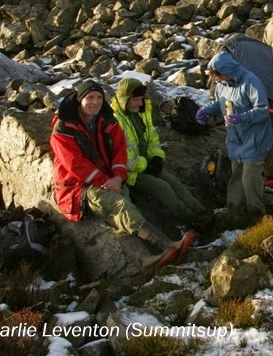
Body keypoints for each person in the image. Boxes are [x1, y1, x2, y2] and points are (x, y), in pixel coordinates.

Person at [51, 79, 195, 267]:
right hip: (78, 187)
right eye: (89, 97)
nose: (95, 102)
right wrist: (106, 181)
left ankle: (145, 259)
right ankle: (167, 246)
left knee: (119, 215)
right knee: (120, 206)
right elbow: (75, 164)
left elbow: (120, 149)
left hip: (110, 179)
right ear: (79, 100)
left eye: (99, 98)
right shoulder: (63, 128)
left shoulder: (106, 120)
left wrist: (119, 176)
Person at [110, 77, 205, 224]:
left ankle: (203, 213)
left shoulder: (140, 112)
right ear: (125, 99)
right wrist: (145, 166)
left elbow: (153, 138)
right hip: (132, 173)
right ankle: (195, 221)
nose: (140, 103)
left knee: (175, 184)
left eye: (141, 99)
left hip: (148, 165)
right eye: (136, 100)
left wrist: (157, 157)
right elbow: (121, 155)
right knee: (163, 188)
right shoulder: (115, 120)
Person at [196, 51, 273, 219]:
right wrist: (206, 111)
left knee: (250, 179)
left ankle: (256, 216)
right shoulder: (222, 85)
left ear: (227, 71)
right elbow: (220, 102)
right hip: (235, 138)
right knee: (236, 176)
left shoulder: (251, 81)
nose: (217, 80)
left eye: (218, 76)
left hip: (255, 137)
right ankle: (234, 213)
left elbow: (263, 110)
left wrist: (242, 118)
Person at [222, 32, 273, 190]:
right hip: (269, 95)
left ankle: (248, 176)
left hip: (244, 97)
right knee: (269, 136)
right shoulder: (265, 48)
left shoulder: (228, 47)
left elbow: (222, 72)